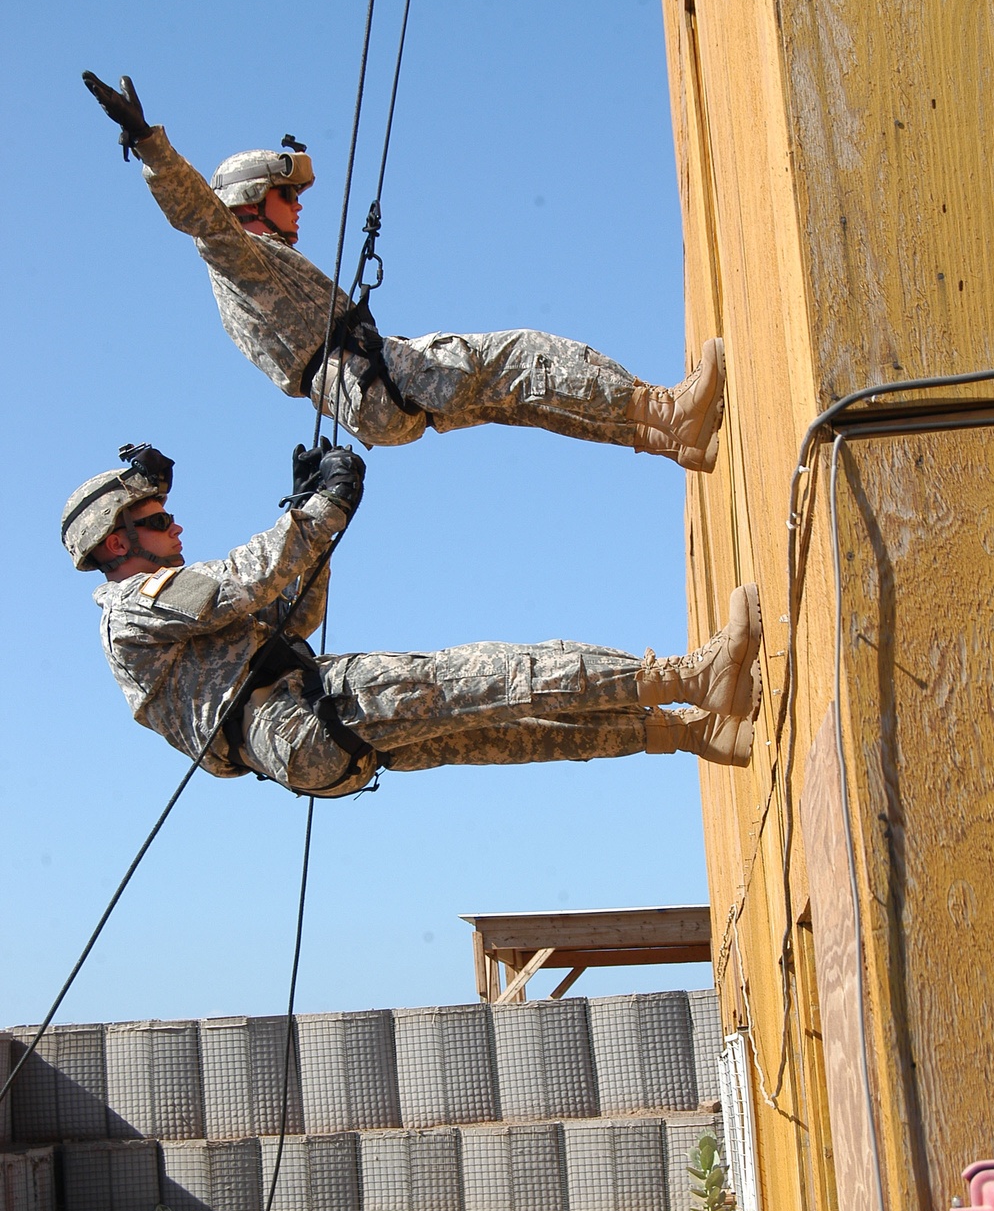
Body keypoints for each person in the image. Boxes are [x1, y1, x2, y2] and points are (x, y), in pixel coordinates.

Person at [82, 72, 728, 466]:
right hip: (377, 377)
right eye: (288, 197)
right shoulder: (234, 256)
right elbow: (199, 219)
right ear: (253, 203)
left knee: (521, 401)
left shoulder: (251, 272)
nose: (299, 210)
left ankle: (671, 439)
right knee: (520, 358)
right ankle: (667, 410)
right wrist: (152, 147)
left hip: (374, 395)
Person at [62, 446, 762, 798]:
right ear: (114, 545)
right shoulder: (132, 607)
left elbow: (290, 610)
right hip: (302, 725)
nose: (175, 524)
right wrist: (317, 509)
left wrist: (320, 529)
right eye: (155, 521)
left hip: (309, 739)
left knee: (506, 732)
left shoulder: (160, 610)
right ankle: (694, 679)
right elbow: (235, 586)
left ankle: (696, 732)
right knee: (491, 676)